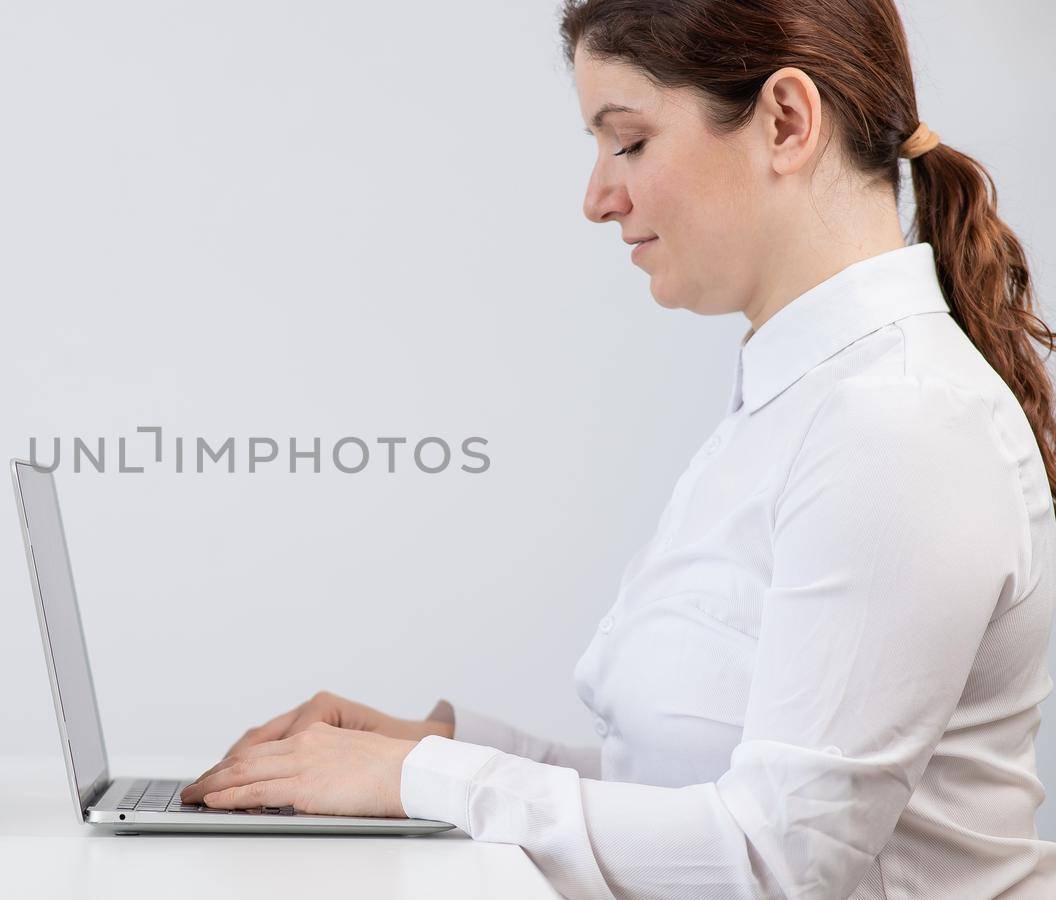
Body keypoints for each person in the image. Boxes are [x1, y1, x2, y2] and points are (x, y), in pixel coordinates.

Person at [177, 1, 1056, 897]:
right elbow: (689, 799)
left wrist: (418, 781)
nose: (598, 196)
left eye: (628, 141)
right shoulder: (804, 404)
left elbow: (781, 861)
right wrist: (432, 749)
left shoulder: (897, 424)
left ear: (786, 122)